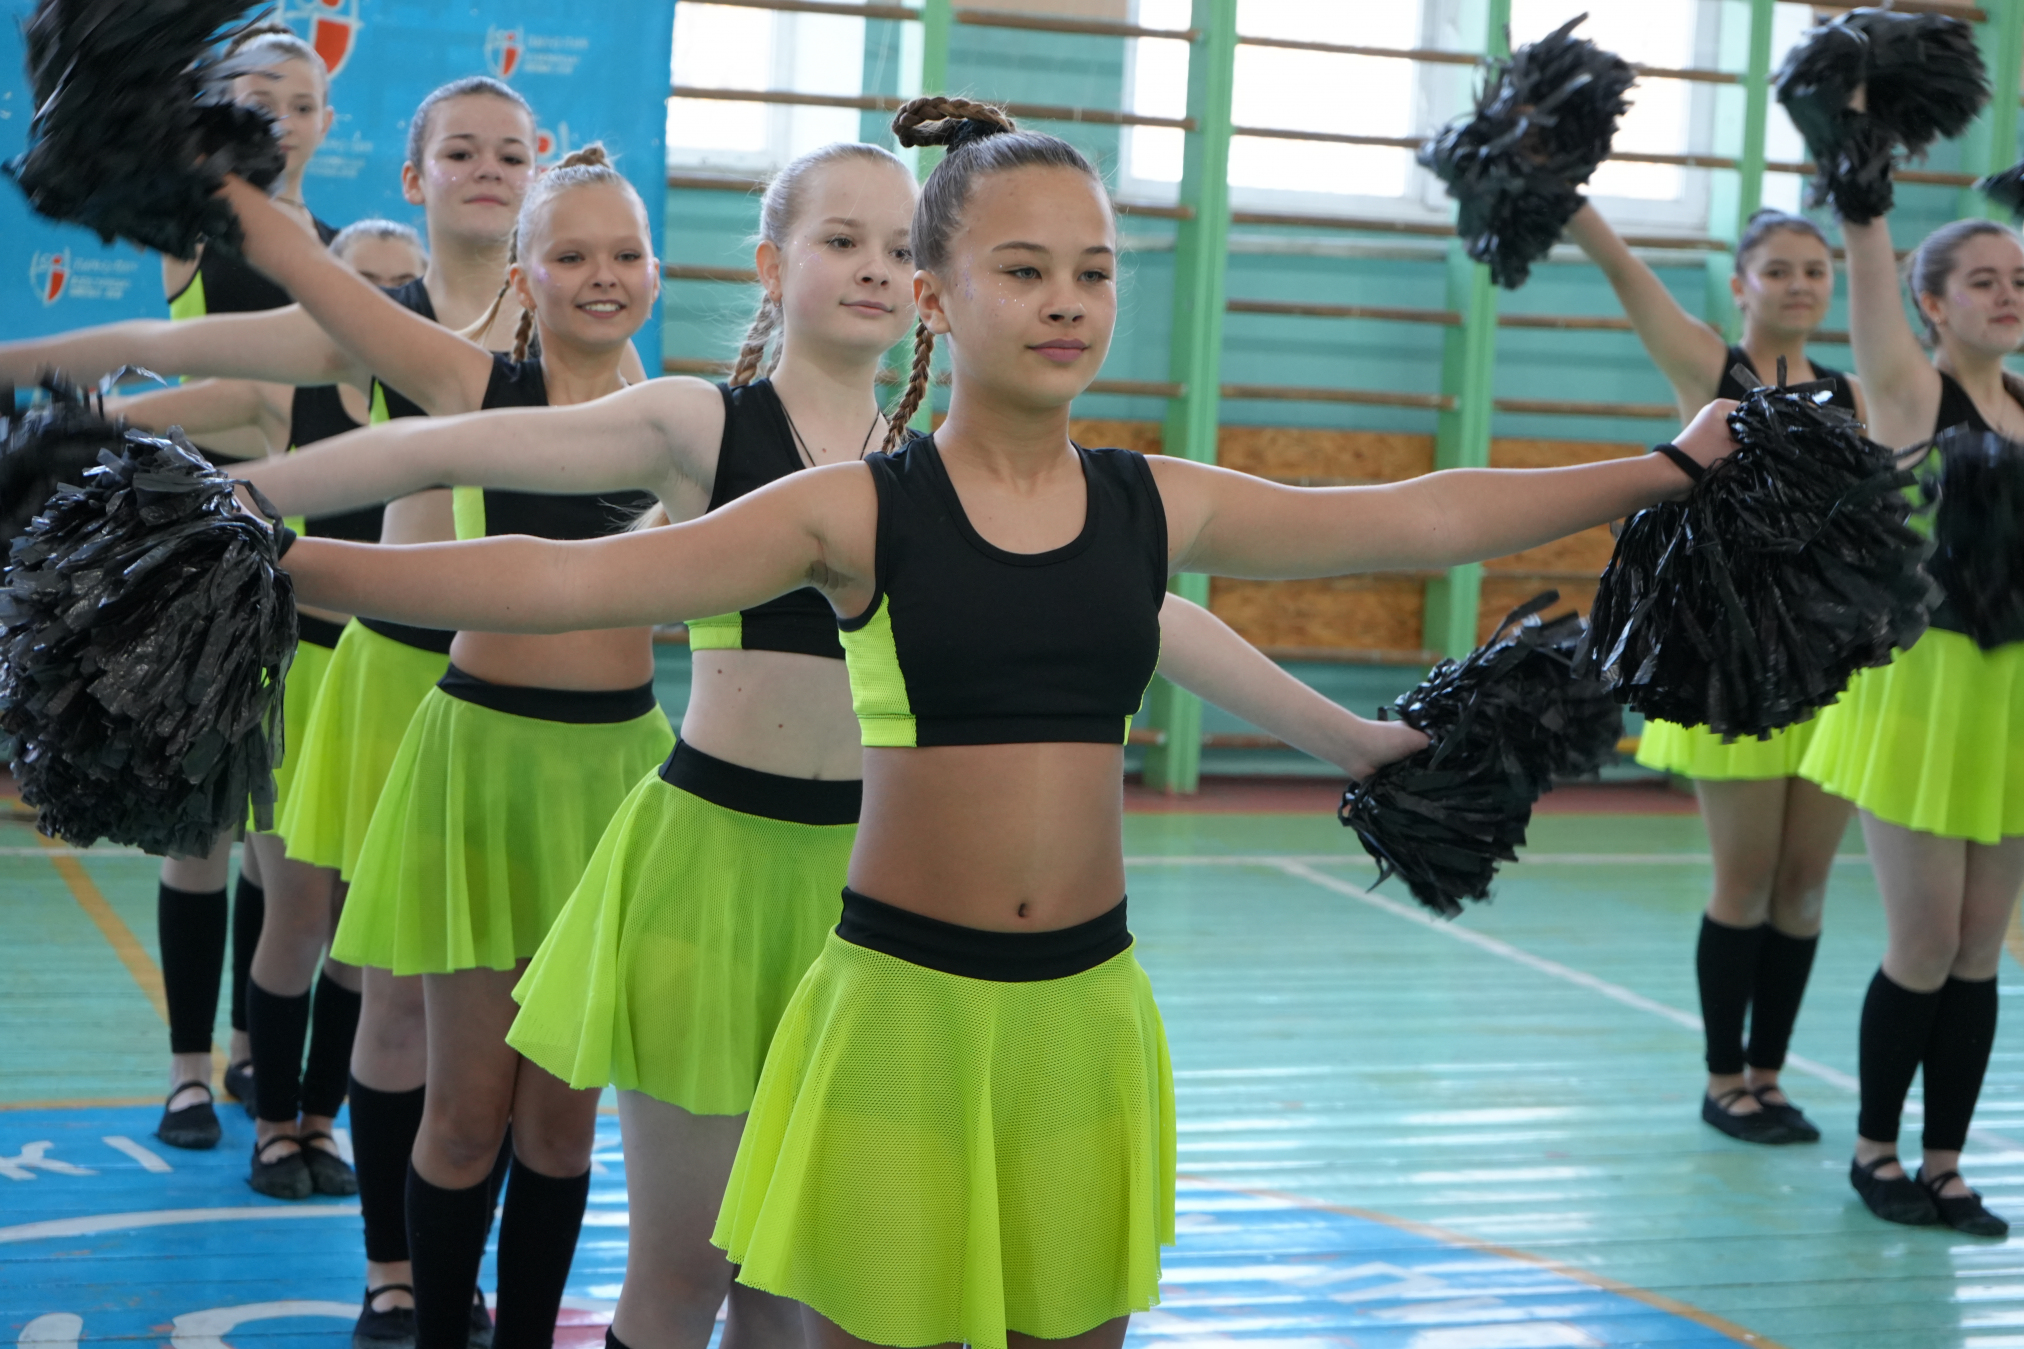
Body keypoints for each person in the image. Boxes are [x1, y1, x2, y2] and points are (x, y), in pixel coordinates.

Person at [259, 97, 1736, 1349]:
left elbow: (1411, 516)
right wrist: (282, 559)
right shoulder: (851, 506)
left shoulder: (1145, 503)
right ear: (938, 298)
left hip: (1084, 1009)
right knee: (764, 1291)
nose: (1065, 300)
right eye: (1022, 270)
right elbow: (565, 572)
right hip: (887, 992)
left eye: (1092, 272)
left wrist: (1663, 469)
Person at [0, 75, 550, 1348]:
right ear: (412, 174)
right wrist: (18, 370)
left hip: (527, 705)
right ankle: (352, 1208)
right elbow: (178, 352)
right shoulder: (382, 330)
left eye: (511, 152)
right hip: (382, 670)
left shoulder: (574, 324)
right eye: (459, 150)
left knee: (489, 1019)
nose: (487, 169)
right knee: (352, 954)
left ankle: (432, 1240)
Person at [222, 139, 668, 1349]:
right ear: (523, 277)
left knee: (561, 1125)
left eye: (624, 253)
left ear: (656, 272)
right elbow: (332, 294)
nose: (601, 274)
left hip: (615, 782)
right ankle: (420, 1309)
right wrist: (222, 188)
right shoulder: (478, 387)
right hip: (480, 763)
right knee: (466, 1107)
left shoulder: (686, 422)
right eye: (570, 253)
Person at [107, 218, 431, 1200]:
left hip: (396, 684)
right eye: (363, 282)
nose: (384, 303)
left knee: (358, 928)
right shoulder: (282, 396)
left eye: (403, 285)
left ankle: (323, 1117)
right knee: (295, 910)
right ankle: (275, 1123)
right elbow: (132, 414)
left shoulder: (450, 406)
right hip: (296, 677)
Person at [1567, 203, 1865, 1144]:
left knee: (1804, 886)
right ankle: (1723, 1079)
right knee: (1745, 880)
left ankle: (1770, 1075)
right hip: (1733, 666)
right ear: (1742, 285)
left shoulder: (1857, 392)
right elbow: (1629, 280)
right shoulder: (1713, 368)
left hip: (1830, 666)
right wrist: (1572, 203)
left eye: (1815, 269)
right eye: (1778, 269)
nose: (1799, 284)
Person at [1800, 209, 2024, 1237]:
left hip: (2010, 699)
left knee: (1978, 946)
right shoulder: (1906, 394)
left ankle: (1945, 1165)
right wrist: (1862, 212)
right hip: (1921, 693)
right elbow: (1868, 303)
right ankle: (1873, 1150)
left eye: (2017, 278)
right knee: (1924, 939)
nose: (2007, 294)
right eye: (1981, 280)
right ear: (1930, 303)